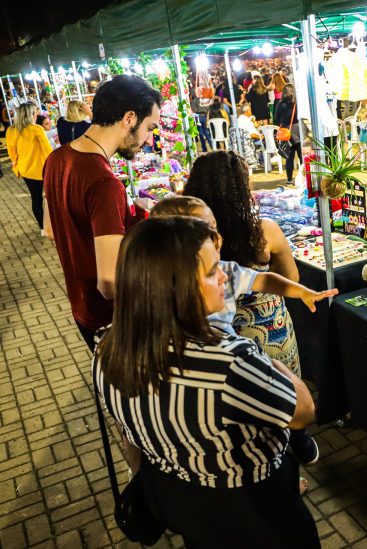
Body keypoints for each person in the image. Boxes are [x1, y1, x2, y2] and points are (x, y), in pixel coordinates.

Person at [92, 216, 320, 547]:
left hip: (179, 497)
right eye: (213, 271)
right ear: (178, 287)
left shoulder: (108, 347)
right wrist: (261, 354)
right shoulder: (227, 361)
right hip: (252, 507)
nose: (225, 276)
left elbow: (131, 432)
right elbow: (303, 410)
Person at [183, 151, 322, 466]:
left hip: (224, 334)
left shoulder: (189, 242)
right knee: (286, 389)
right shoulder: (265, 231)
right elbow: (292, 277)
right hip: (271, 327)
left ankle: (271, 453)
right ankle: (297, 440)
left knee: (249, 401)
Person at [43, 74, 161, 351]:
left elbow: (50, 230)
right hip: (114, 320)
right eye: (150, 127)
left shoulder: (57, 158)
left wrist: (127, 213)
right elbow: (109, 282)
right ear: (129, 118)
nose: (148, 138)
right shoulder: (104, 182)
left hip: (81, 307)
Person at [7, 102, 53, 231]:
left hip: (25, 169)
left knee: (36, 198)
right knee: (51, 197)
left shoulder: (11, 130)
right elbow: (47, 151)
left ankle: (43, 228)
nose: (36, 115)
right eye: (35, 112)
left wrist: (17, 167)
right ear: (31, 114)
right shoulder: (36, 129)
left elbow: (12, 153)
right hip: (43, 170)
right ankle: (54, 224)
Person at [273, 84, 301, 184]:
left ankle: (289, 180)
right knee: (301, 157)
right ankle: (304, 179)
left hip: (285, 132)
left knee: (289, 158)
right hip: (298, 131)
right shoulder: (297, 103)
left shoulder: (280, 104)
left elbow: (276, 119)